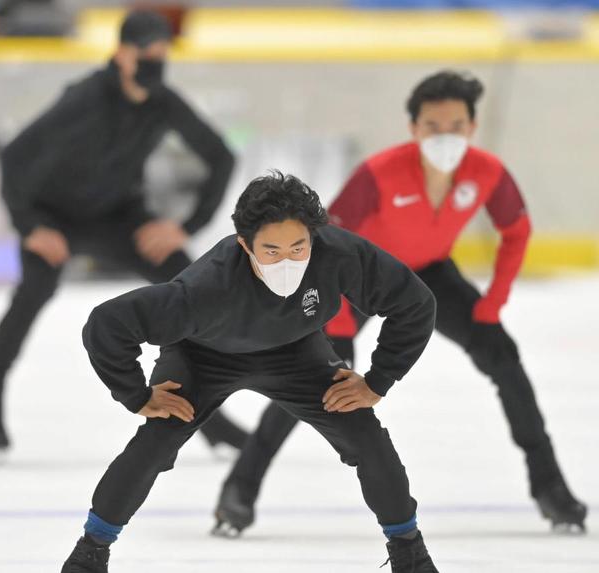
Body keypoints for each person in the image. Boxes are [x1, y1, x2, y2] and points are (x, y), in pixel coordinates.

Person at [213, 71, 588, 535]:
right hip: (359, 280)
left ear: (472, 127)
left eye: (456, 126)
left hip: (430, 273)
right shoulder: (379, 173)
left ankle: (551, 487)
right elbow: (326, 240)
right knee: (314, 381)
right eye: (433, 126)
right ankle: (239, 490)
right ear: (414, 129)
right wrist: (342, 319)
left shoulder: (488, 172)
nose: (445, 136)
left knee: (504, 358)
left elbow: (517, 230)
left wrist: (494, 302)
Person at [61, 172, 439, 573]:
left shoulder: (338, 253)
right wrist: (136, 395)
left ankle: (409, 553)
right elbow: (107, 324)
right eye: (271, 252)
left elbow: (415, 304)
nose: (288, 261)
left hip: (296, 351)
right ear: (245, 245)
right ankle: (91, 552)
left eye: (299, 247)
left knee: (365, 434)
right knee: (157, 440)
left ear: (314, 237)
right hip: (202, 355)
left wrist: (378, 381)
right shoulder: (204, 291)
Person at [0, 9, 247, 461]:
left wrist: (183, 226)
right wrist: (31, 225)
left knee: (190, 282)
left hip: (120, 218)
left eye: (162, 54)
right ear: (121, 54)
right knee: (33, 292)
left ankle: (204, 414)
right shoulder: (84, 98)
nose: (155, 63)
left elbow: (220, 156)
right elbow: (16, 156)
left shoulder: (163, 102)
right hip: (56, 218)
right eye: (147, 54)